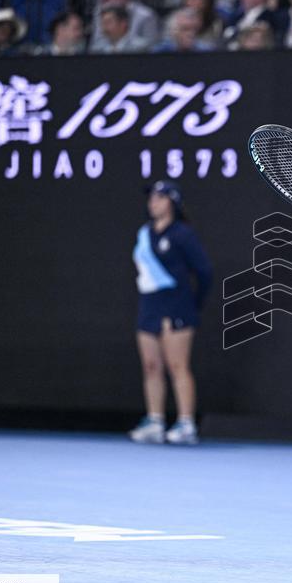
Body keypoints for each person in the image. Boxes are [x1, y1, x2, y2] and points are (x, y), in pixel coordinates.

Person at [129, 180, 212, 446]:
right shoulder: (144, 234)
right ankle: (155, 421)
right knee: (151, 366)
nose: (153, 203)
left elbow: (205, 272)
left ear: (172, 203)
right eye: (151, 198)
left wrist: (191, 305)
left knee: (178, 366)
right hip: (149, 307)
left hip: (177, 308)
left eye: (159, 198)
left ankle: (186, 424)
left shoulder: (182, 234)